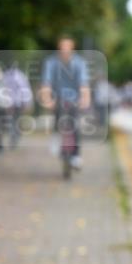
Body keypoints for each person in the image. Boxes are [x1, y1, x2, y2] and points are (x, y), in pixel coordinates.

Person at [39, 36, 91, 170]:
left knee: (75, 124)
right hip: (57, 97)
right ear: (59, 49)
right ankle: (56, 136)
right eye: (62, 48)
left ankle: (76, 155)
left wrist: (85, 99)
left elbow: (84, 84)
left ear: (72, 49)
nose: (65, 50)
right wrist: (47, 100)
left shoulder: (80, 63)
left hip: (74, 98)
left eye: (68, 48)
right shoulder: (51, 62)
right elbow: (46, 83)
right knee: (57, 118)